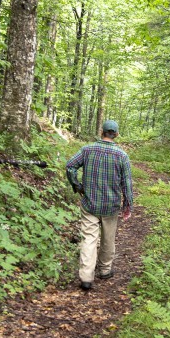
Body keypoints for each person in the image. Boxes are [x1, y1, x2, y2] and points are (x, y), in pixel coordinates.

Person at [65, 120, 134, 291]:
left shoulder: (87, 150)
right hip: (111, 205)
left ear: (101, 132)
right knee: (108, 238)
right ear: (116, 134)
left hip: (90, 203)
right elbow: (127, 184)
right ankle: (105, 270)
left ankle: (86, 277)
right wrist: (128, 205)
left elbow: (70, 166)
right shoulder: (122, 156)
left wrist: (77, 186)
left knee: (89, 238)